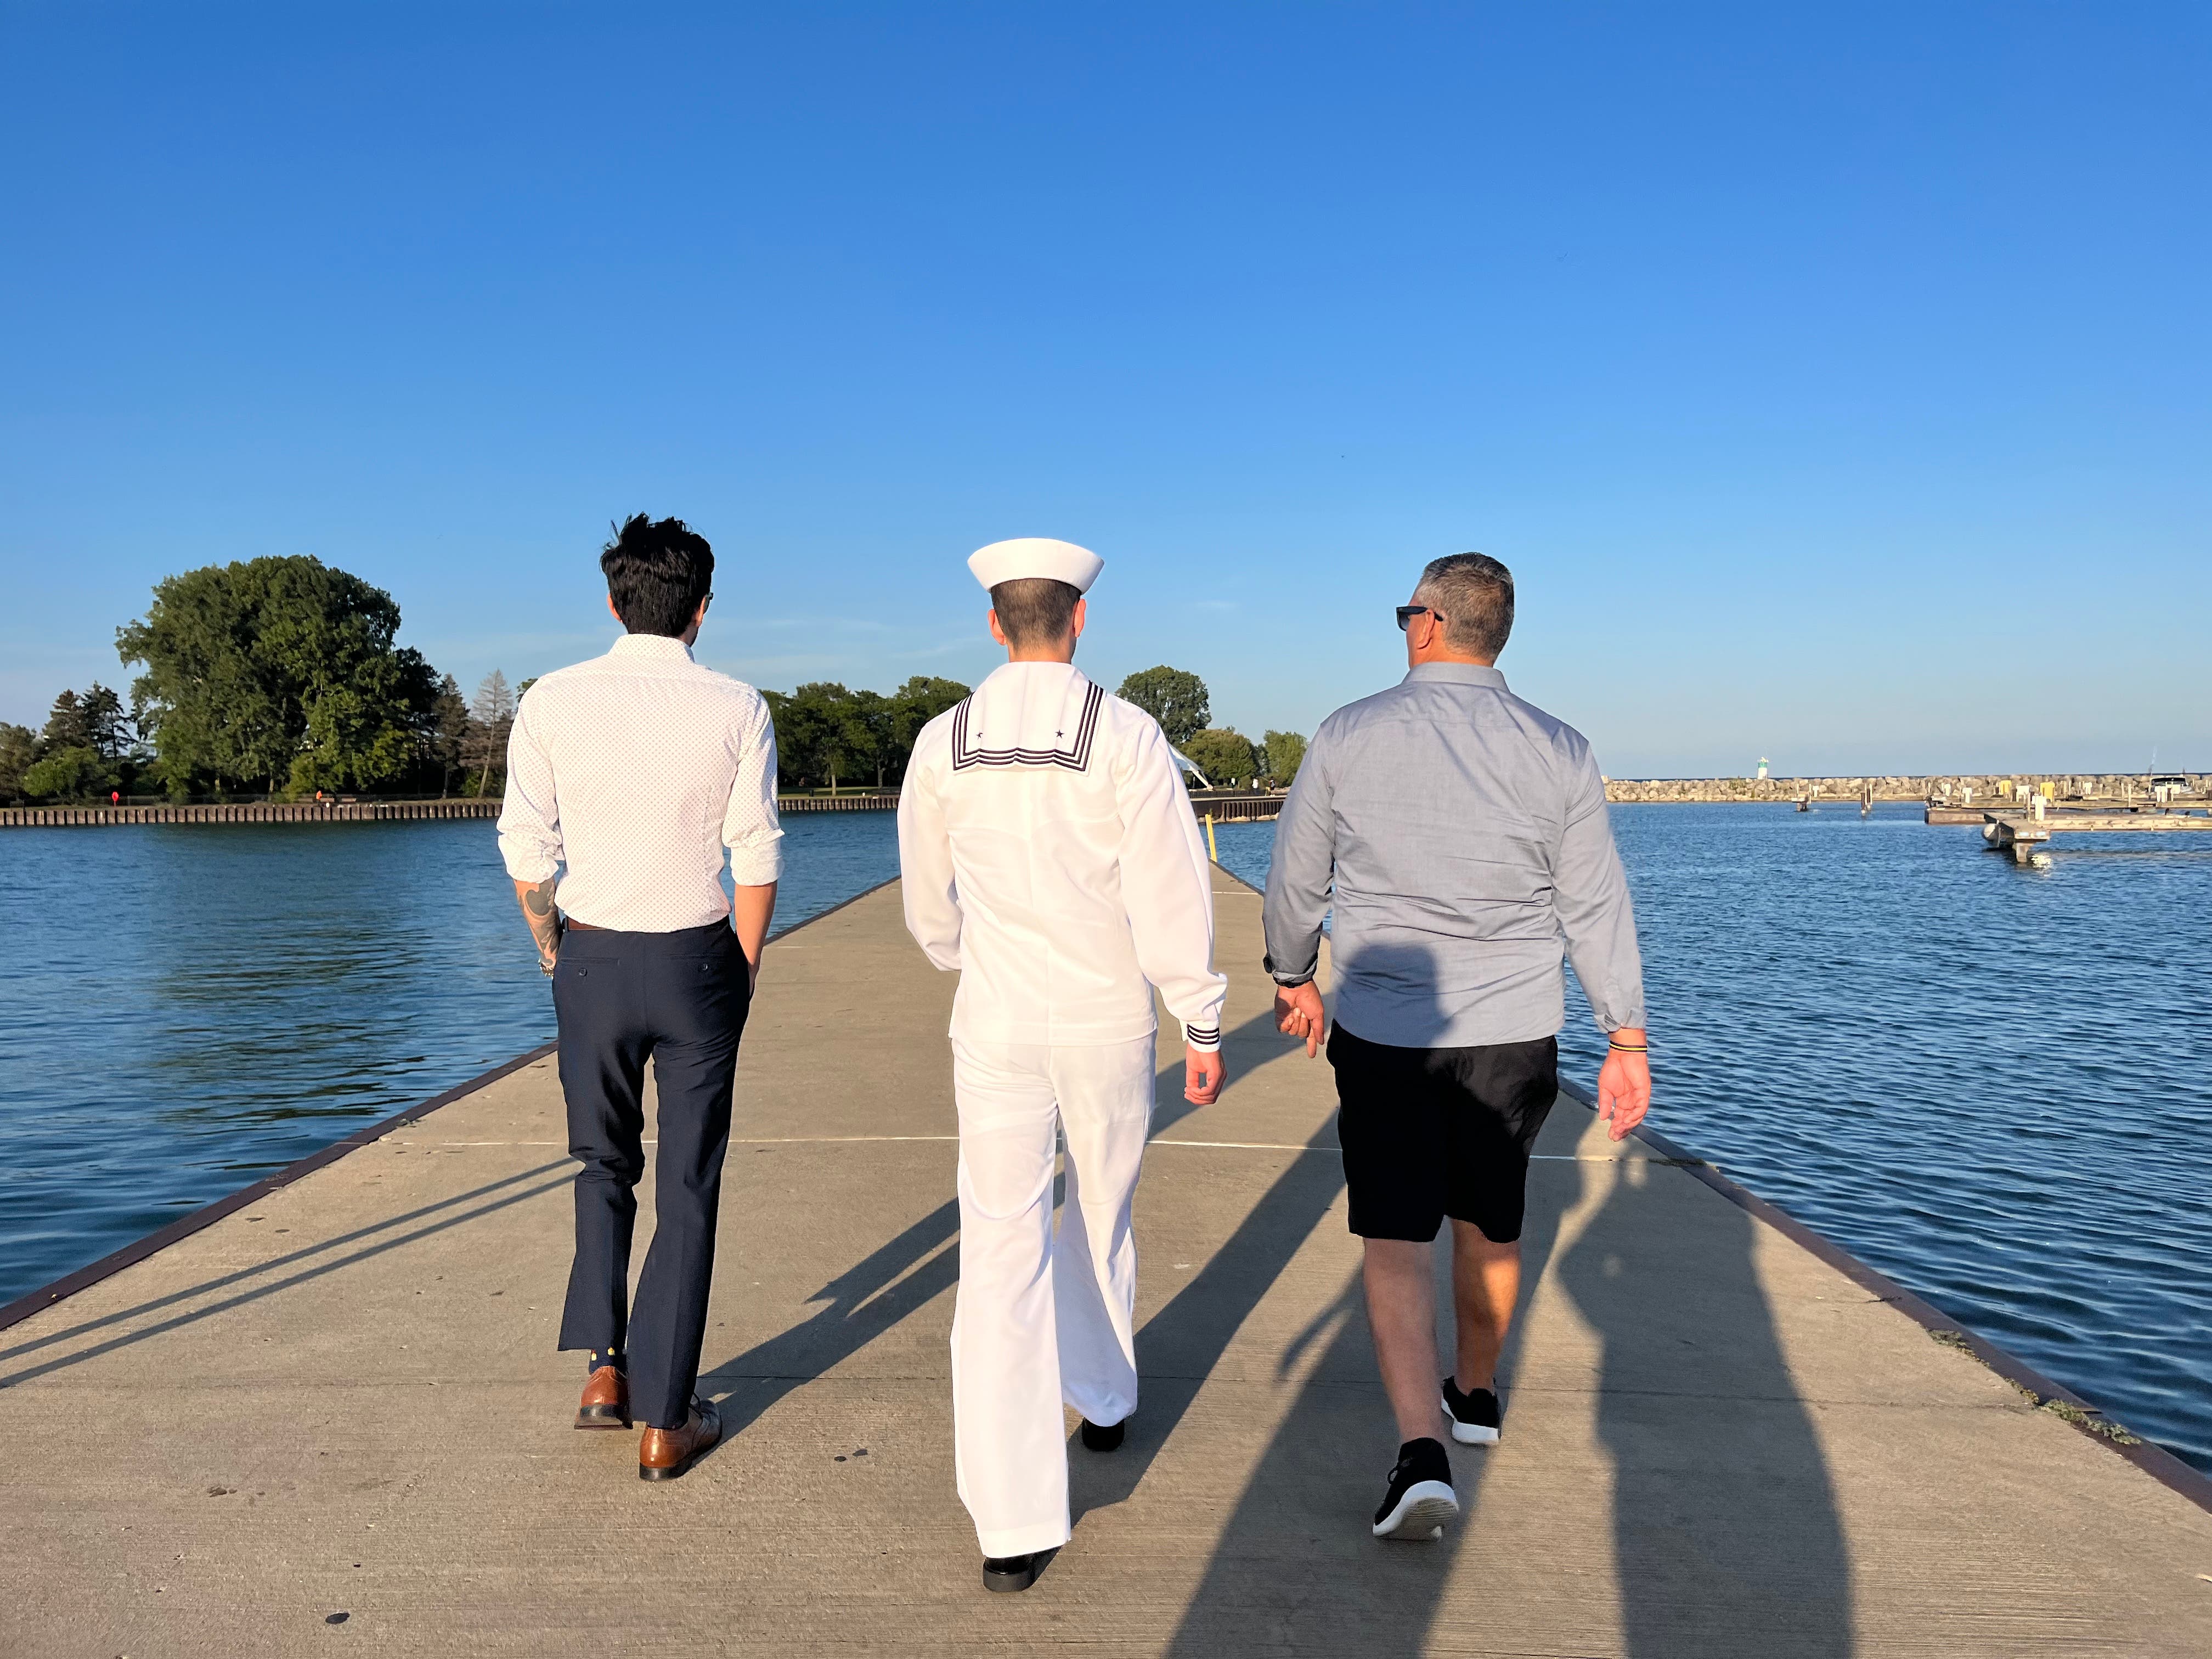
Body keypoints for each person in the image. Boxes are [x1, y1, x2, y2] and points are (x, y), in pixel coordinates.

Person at [1261, 551, 1651, 1542]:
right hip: (1515, 1029)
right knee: (1492, 1226)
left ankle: (1420, 1451)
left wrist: (1292, 974)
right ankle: (1474, 1397)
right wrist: (1626, 1034)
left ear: (1429, 623)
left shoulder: (1349, 732)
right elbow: (1594, 903)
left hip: (1388, 1028)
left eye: (1406, 612)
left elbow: (1298, 878)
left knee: (1396, 1241)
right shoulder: (1561, 748)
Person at [898, 537, 1228, 1593]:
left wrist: (967, 957)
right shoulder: (1126, 735)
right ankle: (1104, 1396)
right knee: (1100, 1212)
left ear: (993, 624)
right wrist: (1201, 1020)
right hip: (1104, 1018)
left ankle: (1012, 1524)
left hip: (996, 1019)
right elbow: (1171, 889)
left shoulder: (942, 742)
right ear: (1079, 618)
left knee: (999, 1251)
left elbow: (928, 906)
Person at [497, 514, 782, 1482]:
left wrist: (555, 952)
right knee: (688, 1183)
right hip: (699, 958)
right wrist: (743, 968)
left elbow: (526, 848)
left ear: (614, 603)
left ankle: (604, 1369)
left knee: (601, 1164)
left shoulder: (551, 700)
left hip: (592, 958)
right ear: (702, 609)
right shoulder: (738, 706)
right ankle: (667, 1419)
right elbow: (757, 852)